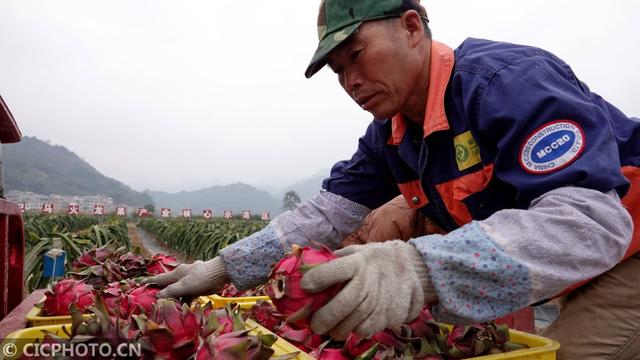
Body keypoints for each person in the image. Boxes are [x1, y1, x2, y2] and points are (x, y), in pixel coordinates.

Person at [145, 0, 640, 358]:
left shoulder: (506, 82)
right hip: (563, 272)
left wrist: (417, 268)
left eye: (356, 55)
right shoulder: (392, 134)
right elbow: (326, 214)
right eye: (338, 70)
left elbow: (590, 224)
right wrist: (224, 267)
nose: (349, 82)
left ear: (410, 27)